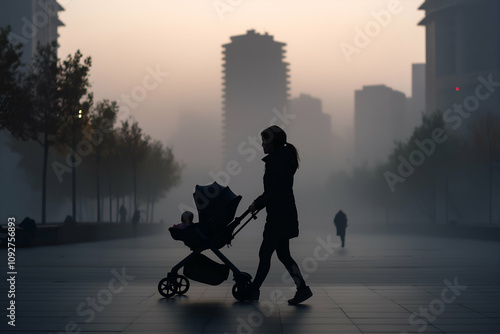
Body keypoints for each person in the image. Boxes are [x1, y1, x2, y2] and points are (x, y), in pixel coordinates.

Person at [248, 125, 312, 305]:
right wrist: (258, 202)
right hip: (284, 213)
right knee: (284, 255)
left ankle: (254, 290)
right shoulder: (282, 159)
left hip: (278, 216)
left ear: (273, 143)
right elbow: (274, 190)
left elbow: (275, 191)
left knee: (265, 253)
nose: (262, 145)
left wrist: (257, 204)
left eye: (264, 141)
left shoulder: (277, 162)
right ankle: (303, 289)